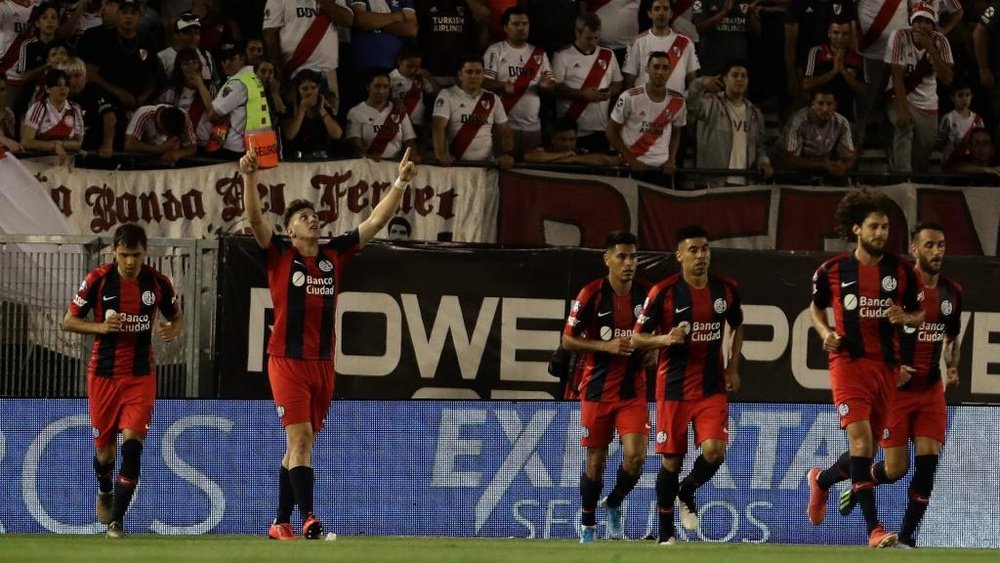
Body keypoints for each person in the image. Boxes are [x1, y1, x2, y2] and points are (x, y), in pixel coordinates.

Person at [240, 144, 416, 541]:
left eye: (314, 216)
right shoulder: (280, 254)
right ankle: (309, 519)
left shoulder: (335, 253)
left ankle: (280, 521)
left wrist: (401, 182)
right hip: (286, 361)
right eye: (304, 217)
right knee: (301, 442)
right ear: (291, 230)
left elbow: (374, 220)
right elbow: (254, 218)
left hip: (323, 364)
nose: (313, 220)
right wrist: (249, 177)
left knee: (297, 447)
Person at [806, 188, 924, 548]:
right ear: (856, 229)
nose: (882, 233)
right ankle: (873, 529)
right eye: (874, 227)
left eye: (886, 227)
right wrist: (825, 332)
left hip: (886, 369)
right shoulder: (832, 270)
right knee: (859, 441)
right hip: (849, 363)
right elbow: (816, 307)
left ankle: (822, 480)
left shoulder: (902, 272)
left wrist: (905, 316)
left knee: (867, 451)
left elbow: (919, 314)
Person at [837, 221, 962, 548]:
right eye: (930, 245)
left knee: (928, 461)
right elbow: (873, 329)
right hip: (896, 391)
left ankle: (907, 539)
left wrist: (952, 367)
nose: (937, 252)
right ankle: (830, 478)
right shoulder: (898, 285)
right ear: (914, 250)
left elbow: (952, 336)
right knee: (895, 469)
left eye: (942, 245)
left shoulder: (952, 292)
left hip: (931, 391)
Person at [62, 223, 183, 538]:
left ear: (145, 253)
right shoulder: (98, 280)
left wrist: (174, 328)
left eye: (137, 255)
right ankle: (104, 490)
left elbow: (175, 315)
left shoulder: (157, 283)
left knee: (132, 447)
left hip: (141, 375)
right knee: (105, 453)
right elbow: (69, 321)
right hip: (103, 375)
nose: (131, 262)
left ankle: (116, 521)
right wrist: (100, 327)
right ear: (114, 251)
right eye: (126, 255)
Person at [631, 224, 744, 546]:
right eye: (693, 250)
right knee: (671, 460)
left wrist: (733, 366)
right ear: (680, 255)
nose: (700, 256)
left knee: (715, 450)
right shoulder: (663, 292)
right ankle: (666, 531)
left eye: (705, 249)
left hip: (711, 386)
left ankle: (688, 489)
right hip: (673, 388)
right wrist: (665, 338)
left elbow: (737, 326)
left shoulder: (726, 290)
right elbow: (638, 337)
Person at [562, 230, 651, 543]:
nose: (628, 263)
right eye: (622, 257)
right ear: (608, 259)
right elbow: (568, 339)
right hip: (597, 389)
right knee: (596, 462)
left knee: (636, 456)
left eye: (633, 257)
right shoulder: (592, 294)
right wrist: (606, 346)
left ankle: (613, 503)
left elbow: (656, 335)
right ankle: (588, 524)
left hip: (632, 391)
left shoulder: (646, 295)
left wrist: (651, 351)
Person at [885, 4, 954, 173]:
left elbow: (947, 79)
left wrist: (930, 47)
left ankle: (916, 179)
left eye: (927, 22)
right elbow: (897, 76)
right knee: (904, 126)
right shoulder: (900, 35)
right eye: (918, 21)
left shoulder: (941, 41)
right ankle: (901, 176)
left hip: (927, 102)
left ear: (933, 25)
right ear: (912, 22)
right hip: (899, 96)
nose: (921, 26)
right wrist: (903, 109)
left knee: (926, 148)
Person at [686, 60, 772, 187]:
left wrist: (764, 162)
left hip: (745, 181)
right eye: (735, 75)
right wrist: (701, 82)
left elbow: (759, 146)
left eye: (743, 76)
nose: (739, 79)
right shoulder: (711, 104)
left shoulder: (755, 113)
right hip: (713, 182)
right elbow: (691, 104)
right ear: (725, 79)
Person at [483, 6, 555, 157]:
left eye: (525, 24)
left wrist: (546, 86)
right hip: (504, 126)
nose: (521, 28)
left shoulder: (539, 53)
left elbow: (551, 85)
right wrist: (502, 86)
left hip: (533, 128)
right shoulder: (495, 51)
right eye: (516, 24)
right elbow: (484, 83)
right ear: (505, 28)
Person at [552, 13, 623, 155]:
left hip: (600, 128)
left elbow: (618, 83)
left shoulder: (607, 54)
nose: (593, 42)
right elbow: (555, 88)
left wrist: (609, 92)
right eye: (588, 38)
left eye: (596, 38)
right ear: (577, 33)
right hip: (571, 131)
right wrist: (582, 95)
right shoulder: (562, 55)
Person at [607, 51, 686, 175]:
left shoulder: (678, 101)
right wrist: (631, 160)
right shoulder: (629, 97)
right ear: (647, 69)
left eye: (665, 68)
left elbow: (676, 133)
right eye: (656, 67)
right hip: (631, 167)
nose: (660, 72)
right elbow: (611, 131)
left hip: (661, 169)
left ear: (670, 71)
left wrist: (671, 160)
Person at [431, 55, 514, 168]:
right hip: (456, 164)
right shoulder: (447, 95)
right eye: (469, 72)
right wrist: (441, 154)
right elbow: (438, 127)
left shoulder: (493, 98)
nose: (474, 76)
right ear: (460, 74)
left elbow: (505, 131)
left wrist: (507, 154)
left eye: (478, 72)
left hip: (486, 166)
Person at [623, 0, 699, 94]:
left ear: (671, 14)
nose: (661, 13)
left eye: (665, 9)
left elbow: (692, 80)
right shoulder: (637, 43)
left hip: (675, 105)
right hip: (643, 106)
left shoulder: (686, 42)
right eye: (657, 9)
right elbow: (629, 82)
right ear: (649, 14)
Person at [802, 17, 868, 125]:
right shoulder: (817, 52)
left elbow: (864, 90)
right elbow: (806, 84)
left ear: (851, 35)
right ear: (829, 33)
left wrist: (843, 72)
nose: (840, 37)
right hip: (818, 117)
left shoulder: (858, 58)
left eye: (845, 33)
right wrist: (833, 72)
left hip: (846, 118)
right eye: (836, 33)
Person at [780, 88, 855, 176]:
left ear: (835, 106)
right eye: (820, 103)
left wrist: (843, 166)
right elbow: (791, 158)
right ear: (813, 104)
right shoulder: (799, 121)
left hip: (823, 165)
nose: (825, 109)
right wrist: (822, 165)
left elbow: (850, 156)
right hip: (787, 166)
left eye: (829, 104)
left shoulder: (842, 123)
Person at [347, 72, 417, 161]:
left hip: (396, 165)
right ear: (368, 87)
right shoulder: (356, 112)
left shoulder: (399, 110)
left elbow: (409, 140)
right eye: (377, 86)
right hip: (369, 164)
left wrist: (410, 157)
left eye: (385, 87)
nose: (381, 91)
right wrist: (368, 157)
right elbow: (356, 146)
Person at [21, 69, 84, 165]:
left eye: (66, 85)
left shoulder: (75, 109)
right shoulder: (38, 108)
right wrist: (54, 145)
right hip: (39, 165)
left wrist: (61, 144)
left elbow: (78, 143)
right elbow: (26, 142)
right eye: (58, 85)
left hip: (65, 165)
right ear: (47, 89)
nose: (63, 89)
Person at [282, 69, 343, 159]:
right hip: (299, 159)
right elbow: (289, 135)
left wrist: (322, 110)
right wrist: (302, 110)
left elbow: (337, 134)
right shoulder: (289, 109)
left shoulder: (325, 108)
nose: (310, 92)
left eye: (313, 88)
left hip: (323, 157)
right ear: (298, 91)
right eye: (305, 88)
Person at [523, 117, 617, 166]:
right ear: (553, 138)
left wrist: (572, 159)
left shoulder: (579, 152)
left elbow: (605, 159)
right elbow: (528, 156)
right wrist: (562, 155)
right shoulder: (544, 149)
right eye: (562, 139)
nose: (568, 143)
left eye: (572, 140)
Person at [123, 104, 197, 165]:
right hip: (142, 163)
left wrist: (178, 154)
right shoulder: (144, 114)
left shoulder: (184, 117)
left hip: (168, 165)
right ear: (160, 126)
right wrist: (160, 149)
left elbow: (193, 148)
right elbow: (129, 144)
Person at [936, 82, 984, 168]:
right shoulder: (948, 118)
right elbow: (939, 142)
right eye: (960, 95)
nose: (965, 99)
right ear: (952, 98)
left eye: (967, 95)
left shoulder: (977, 120)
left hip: (972, 162)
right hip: (952, 162)